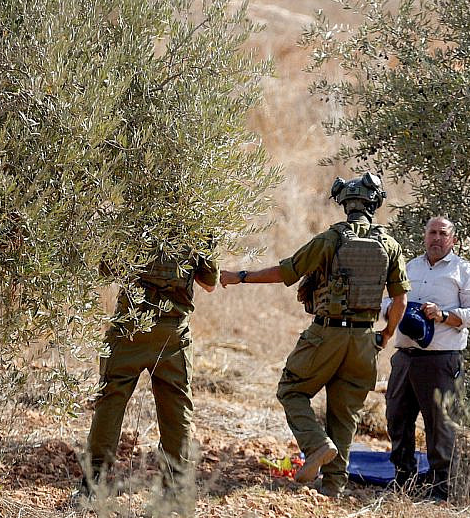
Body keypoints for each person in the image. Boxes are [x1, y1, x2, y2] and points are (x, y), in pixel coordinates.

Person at [222, 173, 410, 497]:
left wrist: (240, 276)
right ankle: (333, 488)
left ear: (345, 204)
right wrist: (386, 335)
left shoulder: (331, 239)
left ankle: (316, 445)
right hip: (365, 340)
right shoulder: (389, 245)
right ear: (374, 204)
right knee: (345, 414)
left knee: (291, 390)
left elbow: (287, 272)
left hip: (328, 334)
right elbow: (400, 300)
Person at [78, 246, 219, 499]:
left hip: (129, 330)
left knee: (110, 401)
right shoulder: (198, 226)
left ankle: (92, 483)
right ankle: (175, 490)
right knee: (176, 409)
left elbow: (107, 270)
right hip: (172, 334)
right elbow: (210, 284)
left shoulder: (137, 217)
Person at [383, 216, 470, 501]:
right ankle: (404, 482)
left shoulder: (465, 272)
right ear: (424, 236)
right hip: (404, 358)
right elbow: (386, 302)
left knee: (440, 426)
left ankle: (442, 490)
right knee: (397, 419)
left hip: (441, 360)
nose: (436, 238)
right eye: (432, 232)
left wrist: (443, 315)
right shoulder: (409, 268)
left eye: (443, 233)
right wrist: (393, 311)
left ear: (453, 239)